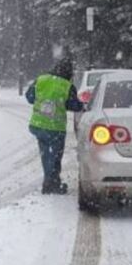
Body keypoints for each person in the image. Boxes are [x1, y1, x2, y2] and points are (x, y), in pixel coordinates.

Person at [26, 58, 83, 194]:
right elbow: (74, 105)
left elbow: (29, 97)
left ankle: (48, 181)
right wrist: (82, 105)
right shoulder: (67, 86)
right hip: (55, 128)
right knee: (56, 156)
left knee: (45, 154)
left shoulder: (41, 80)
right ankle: (52, 183)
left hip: (38, 125)